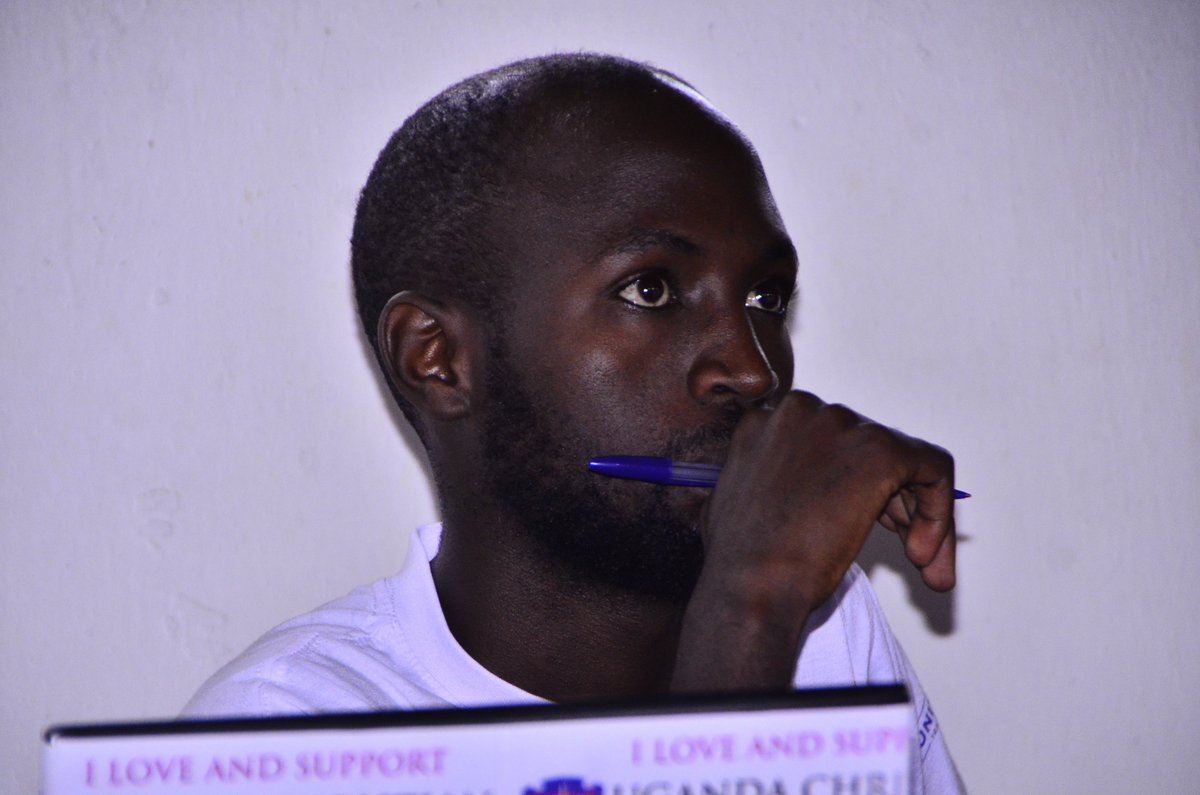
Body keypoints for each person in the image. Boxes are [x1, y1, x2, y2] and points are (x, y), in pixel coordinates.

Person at [184, 53, 964, 791]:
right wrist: (749, 612)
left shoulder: (826, 630)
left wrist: (768, 603)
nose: (754, 368)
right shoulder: (283, 742)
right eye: (651, 290)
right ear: (437, 358)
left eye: (767, 298)